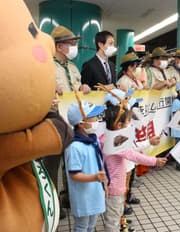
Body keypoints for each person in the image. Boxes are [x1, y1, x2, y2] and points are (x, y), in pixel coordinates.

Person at [102, 89, 166, 232]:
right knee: (112, 219)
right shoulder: (114, 141)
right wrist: (154, 161)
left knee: (116, 212)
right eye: (127, 121)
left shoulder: (110, 134)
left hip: (116, 182)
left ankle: (121, 224)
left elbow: (132, 148)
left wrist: (148, 142)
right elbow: (132, 154)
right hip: (114, 186)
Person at [46, 25, 91, 219]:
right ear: (58, 46)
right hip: (53, 121)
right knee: (52, 164)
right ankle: (53, 203)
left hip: (73, 122)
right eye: (71, 43)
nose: (74, 47)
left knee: (71, 161)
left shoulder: (73, 67)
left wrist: (84, 88)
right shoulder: (47, 66)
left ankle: (68, 197)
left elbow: (77, 90)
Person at [65, 100, 108, 231]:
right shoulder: (74, 146)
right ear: (81, 123)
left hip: (95, 191)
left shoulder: (93, 139)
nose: (97, 120)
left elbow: (100, 164)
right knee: (81, 226)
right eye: (94, 117)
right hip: (83, 196)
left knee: (91, 226)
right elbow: (74, 175)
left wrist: (105, 185)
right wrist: (94, 178)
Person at [51, 25, 91, 95]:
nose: (76, 47)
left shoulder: (73, 66)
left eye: (76, 43)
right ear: (59, 47)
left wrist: (81, 88)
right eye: (72, 44)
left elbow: (77, 86)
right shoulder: (47, 67)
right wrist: (49, 90)